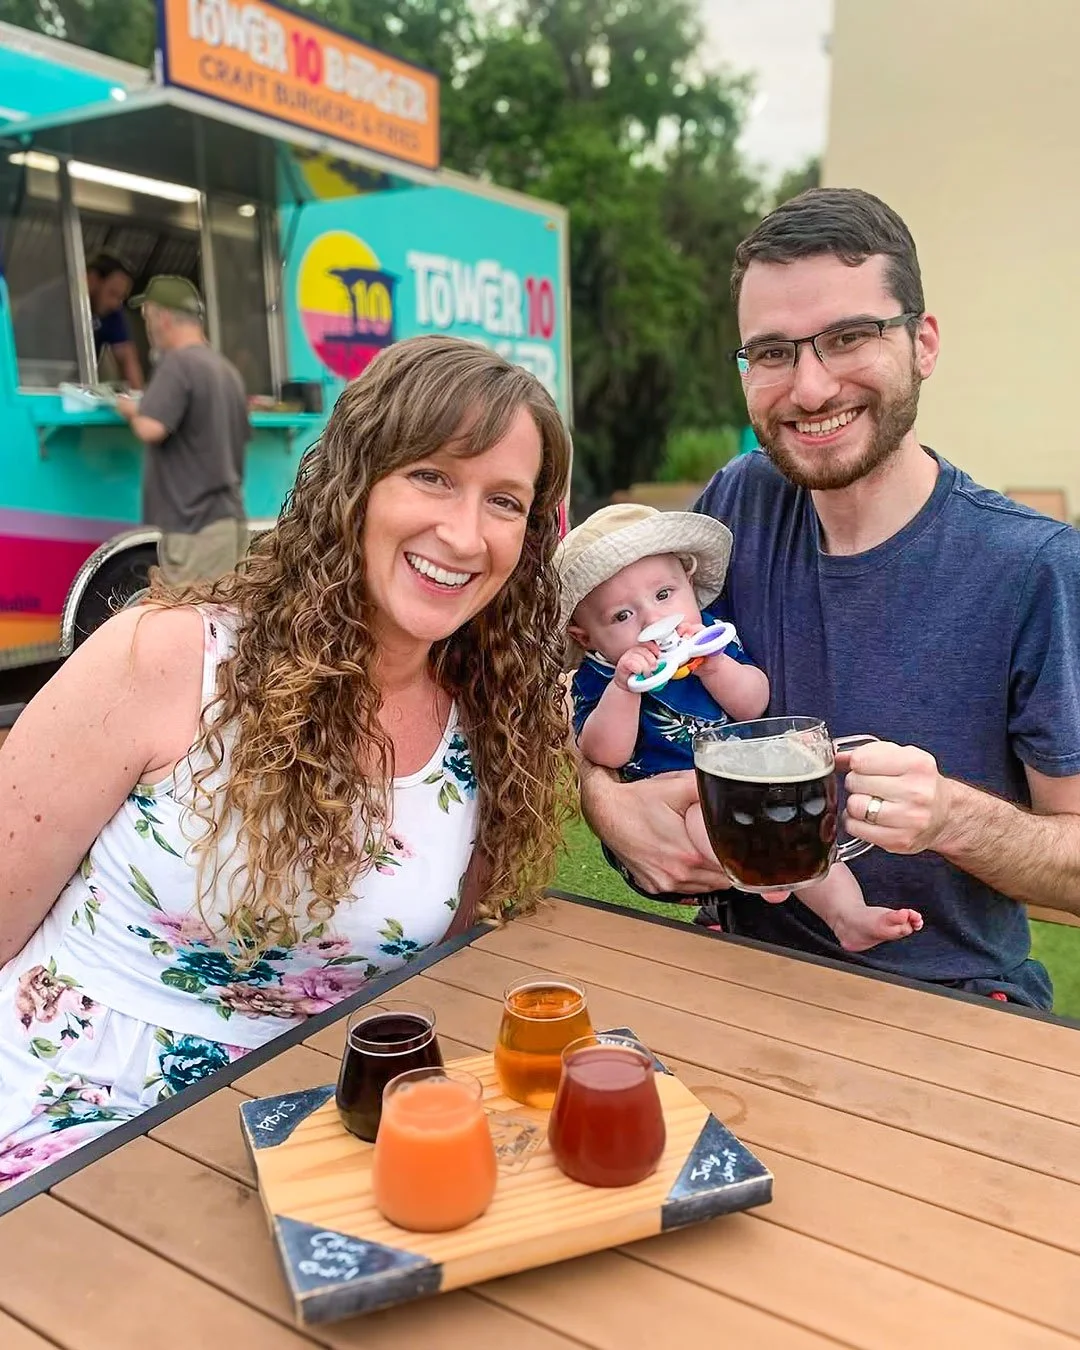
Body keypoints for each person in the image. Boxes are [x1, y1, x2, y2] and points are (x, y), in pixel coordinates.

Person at [0, 335, 573, 1189]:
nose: (464, 534)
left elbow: (437, 978)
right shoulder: (168, 660)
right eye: (431, 476)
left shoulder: (490, 722)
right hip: (59, 1112)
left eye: (504, 501)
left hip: (306, 1138)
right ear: (355, 483)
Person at [580, 187, 1080, 1010]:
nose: (810, 389)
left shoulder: (1033, 568)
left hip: (945, 1000)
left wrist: (952, 817)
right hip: (738, 967)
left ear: (923, 342)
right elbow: (592, 675)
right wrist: (607, 804)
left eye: (848, 337)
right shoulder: (736, 505)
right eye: (773, 352)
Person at [559, 502, 922, 952]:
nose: (654, 622)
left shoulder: (711, 637)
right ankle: (764, 868)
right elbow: (605, 753)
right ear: (585, 637)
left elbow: (753, 703)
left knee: (801, 824)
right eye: (621, 616)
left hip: (738, 776)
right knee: (708, 819)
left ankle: (848, 915)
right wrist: (625, 689)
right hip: (671, 803)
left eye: (664, 594)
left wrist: (715, 666)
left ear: (689, 584)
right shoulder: (600, 676)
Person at [116, 276, 251, 587]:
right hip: (229, 524)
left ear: (162, 317)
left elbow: (151, 428)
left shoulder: (177, 365)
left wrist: (128, 409)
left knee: (187, 614)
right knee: (225, 613)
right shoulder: (225, 370)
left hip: (193, 532)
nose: (148, 327)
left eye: (147, 317)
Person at [85, 252, 144, 390]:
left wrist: (139, 398)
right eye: (112, 293)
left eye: (121, 298)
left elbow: (126, 358)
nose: (115, 304)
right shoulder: (57, 304)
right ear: (91, 280)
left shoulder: (112, 313)